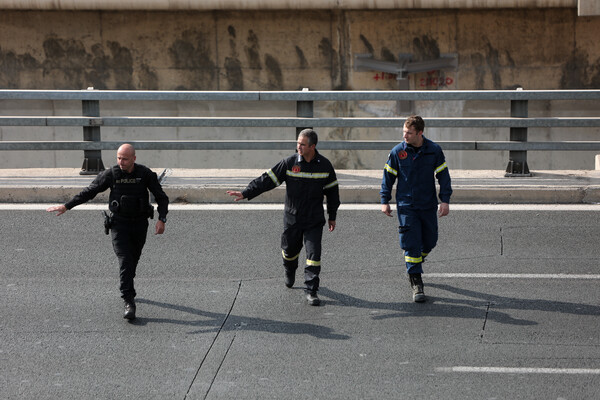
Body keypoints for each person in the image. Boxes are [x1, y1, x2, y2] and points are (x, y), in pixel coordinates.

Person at [47, 143, 169, 320]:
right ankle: (128, 300)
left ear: (134, 159)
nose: (121, 162)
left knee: (133, 261)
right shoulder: (111, 174)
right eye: (119, 158)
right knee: (125, 261)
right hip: (119, 224)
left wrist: (161, 218)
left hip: (140, 224)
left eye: (125, 159)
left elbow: (161, 197)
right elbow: (90, 191)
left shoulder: (145, 174)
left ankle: (128, 282)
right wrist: (67, 206)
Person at [227, 129, 340, 306]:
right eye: (297, 143)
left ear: (313, 146)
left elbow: (333, 193)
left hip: (314, 220)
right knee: (289, 252)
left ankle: (311, 291)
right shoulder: (289, 163)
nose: (298, 147)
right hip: (293, 220)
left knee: (314, 255)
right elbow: (267, 180)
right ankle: (289, 268)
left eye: (302, 144)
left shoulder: (325, 166)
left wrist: (332, 215)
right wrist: (246, 192)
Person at [380, 115, 452, 302]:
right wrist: (384, 200)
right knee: (411, 243)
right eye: (404, 132)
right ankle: (416, 281)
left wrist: (445, 200)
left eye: (409, 133)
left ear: (420, 133)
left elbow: (443, 176)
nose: (405, 136)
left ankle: (416, 262)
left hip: (428, 205)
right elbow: (387, 178)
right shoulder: (397, 152)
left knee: (430, 241)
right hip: (406, 205)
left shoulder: (434, 150)